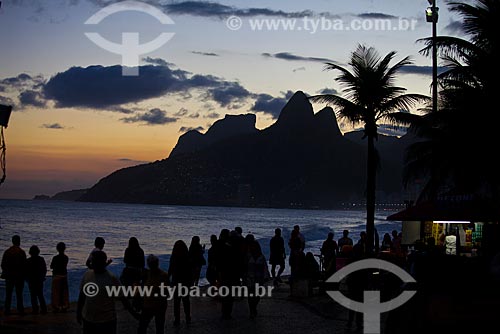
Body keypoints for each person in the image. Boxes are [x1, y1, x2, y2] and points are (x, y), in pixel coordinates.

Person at [77, 251, 138, 334]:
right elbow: (82, 296)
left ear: (102, 262)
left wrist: (134, 314)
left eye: (94, 261)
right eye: (92, 261)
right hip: (88, 319)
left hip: (107, 321)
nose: (92, 264)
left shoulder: (111, 278)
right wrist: (78, 312)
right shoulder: (87, 275)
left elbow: (123, 299)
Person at [137, 255, 169, 334]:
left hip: (152, 305)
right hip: (155, 305)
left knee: (144, 327)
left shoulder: (148, 274)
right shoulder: (163, 275)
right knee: (157, 327)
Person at [168, 240, 192, 326]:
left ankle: (177, 319)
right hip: (186, 281)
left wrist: (167, 278)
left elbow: (170, 269)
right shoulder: (188, 257)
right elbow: (190, 270)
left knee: (176, 302)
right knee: (186, 300)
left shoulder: (173, 257)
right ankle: (188, 317)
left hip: (176, 281)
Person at [1, 235, 27, 316]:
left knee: (8, 294)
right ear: (19, 241)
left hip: (9, 276)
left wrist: (6, 272)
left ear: (12, 241)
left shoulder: (7, 252)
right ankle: (20, 310)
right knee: (19, 294)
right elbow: (24, 265)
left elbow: (3, 264)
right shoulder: (22, 252)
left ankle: (7, 310)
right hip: (19, 276)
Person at [244, 238, 269, 319]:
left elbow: (265, 267)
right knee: (250, 296)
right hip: (250, 279)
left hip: (259, 279)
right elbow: (245, 268)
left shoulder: (261, 257)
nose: (252, 248)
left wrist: (266, 276)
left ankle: (253, 308)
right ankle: (252, 310)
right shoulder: (248, 256)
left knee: (257, 296)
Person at [26, 245, 47, 314]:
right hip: (39, 280)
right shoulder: (41, 259)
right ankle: (43, 309)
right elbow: (44, 269)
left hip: (31, 280)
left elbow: (26, 271)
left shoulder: (28, 260)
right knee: (40, 294)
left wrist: (27, 278)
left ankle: (35, 309)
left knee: (33, 295)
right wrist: (43, 277)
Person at [50, 242, 70, 313]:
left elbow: (51, 266)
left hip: (57, 276)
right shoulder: (66, 257)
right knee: (64, 292)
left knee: (56, 292)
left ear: (57, 249)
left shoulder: (55, 258)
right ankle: (64, 306)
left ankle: (57, 306)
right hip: (64, 275)